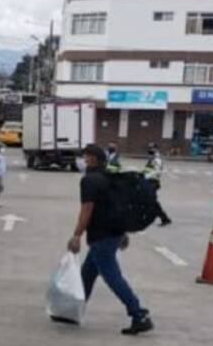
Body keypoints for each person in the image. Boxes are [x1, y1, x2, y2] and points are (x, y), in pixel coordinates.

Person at [69, 143, 153, 335]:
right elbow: (117, 207)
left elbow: (87, 209)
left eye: (85, 157)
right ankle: (74, 310)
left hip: (101, 236)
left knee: (112, 277)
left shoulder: (89, 181)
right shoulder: (109, 177)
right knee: (87, 274)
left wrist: (76, 235)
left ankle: (138, 314)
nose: (83, 160)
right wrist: (122, 232)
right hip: (112, 234)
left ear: (92, 158)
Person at [144, 144, 172, 226]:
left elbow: (157, 171)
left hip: (153, 182)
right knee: (149, 200)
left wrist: (146, 176)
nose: (150, 149)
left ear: (156, 149)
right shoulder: (152, 158)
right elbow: (148, 169)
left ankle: (165, 218)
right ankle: (163, 218)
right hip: (149, 181)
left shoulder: (157, 159)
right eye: (150, 148)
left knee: (152, 201)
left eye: (152, 148)